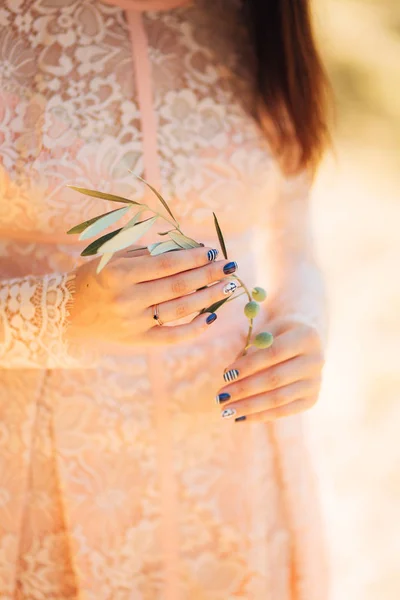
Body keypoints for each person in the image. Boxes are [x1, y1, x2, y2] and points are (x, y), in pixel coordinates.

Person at [0, 0, 331, 598]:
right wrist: (62, 313)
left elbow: (294, 238)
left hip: (236, 477)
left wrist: (304, 326)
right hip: (34, 488)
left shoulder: (262, 17)